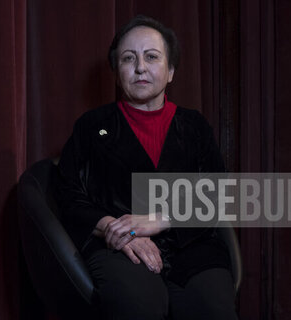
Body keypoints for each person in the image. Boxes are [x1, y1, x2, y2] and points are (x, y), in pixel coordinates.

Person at [57, 15, 238, 320]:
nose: (140, 67)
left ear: (170, 72)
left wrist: (160, 220)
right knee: (140, 304)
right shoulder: (92, 126)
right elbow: (68, 195)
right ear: (117, 74)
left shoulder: (194, 126)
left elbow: (218, 195)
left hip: (191, 244)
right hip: (118, 248)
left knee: (213, 307)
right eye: (129, 59)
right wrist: (118, 228)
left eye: (152, 57)